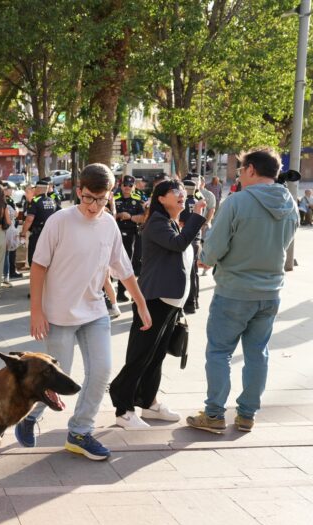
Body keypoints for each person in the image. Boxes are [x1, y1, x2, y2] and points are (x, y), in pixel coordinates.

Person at [15, 163, 152, 460]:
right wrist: (35, 310)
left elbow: (123, 268)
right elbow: (38, 266)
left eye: (101, 200)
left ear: (110, 195)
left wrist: (140, 303)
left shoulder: (109, 224)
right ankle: (30, 416)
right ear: (79, 192)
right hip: (59, 314)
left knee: (101, 372)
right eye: (89, 198)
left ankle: (80, 431)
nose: (94, 206)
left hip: (94, 311)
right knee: (53, 378)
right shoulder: (59, 221)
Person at [187, 147, 298, 434]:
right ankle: (247, 414)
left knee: (219, 352)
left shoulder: (238, 202)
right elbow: (287, 245)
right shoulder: (290, 202)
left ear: (250, 170)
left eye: (240, 168)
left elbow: (214, 247)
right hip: (270, 291)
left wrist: (206, 259)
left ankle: (213, 415)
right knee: (257, 354)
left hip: (234, 290)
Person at [109, 180, 206, 429]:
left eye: (183, 191)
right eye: (175, 192)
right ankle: (123, 408)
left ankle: (149, 403)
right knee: (141, 355)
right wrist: (196, 218)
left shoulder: (171, 222)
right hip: (153, 300)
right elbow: (178, 244)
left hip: (171, 301)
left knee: (156, 355)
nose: (182, 194)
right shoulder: (157, 223)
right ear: (161, 198)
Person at [112, 174, 147, 302]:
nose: (127, 187)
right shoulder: (114, 198)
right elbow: (108, 215)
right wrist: (120, 214)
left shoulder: (138, 199)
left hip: (132, 234)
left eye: (130, 185)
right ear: (121, 185)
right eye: (125, 185)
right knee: (112, 262)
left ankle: (122, 291)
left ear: (133, 187)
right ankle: (109, 292)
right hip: (116, 233)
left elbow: (144, 217)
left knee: (130, 262)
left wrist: (131, 217)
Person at [19, 177, 61, 268]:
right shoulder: (52, 201)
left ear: (38, 189)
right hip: (50, 234)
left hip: (37, 235)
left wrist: (23, 233)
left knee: (35, 260)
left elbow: (29, 219)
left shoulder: (35, 201)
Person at [179, 178, 205, 314]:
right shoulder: (197, 202)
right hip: (197, 239)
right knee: (194, 272)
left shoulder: (183, 203)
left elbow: (181, 223)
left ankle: (189, 303)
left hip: (187, 240)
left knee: (187, 272)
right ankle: (195, 300)